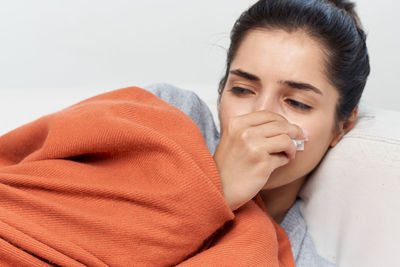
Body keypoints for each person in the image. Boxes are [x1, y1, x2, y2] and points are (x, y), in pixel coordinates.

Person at [146, 0, 370, 265]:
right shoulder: (165, 115)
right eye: (242, 89)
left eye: (297, 102)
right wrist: (219, 189)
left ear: (342, 126)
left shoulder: (298, 259)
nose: (260, 114)